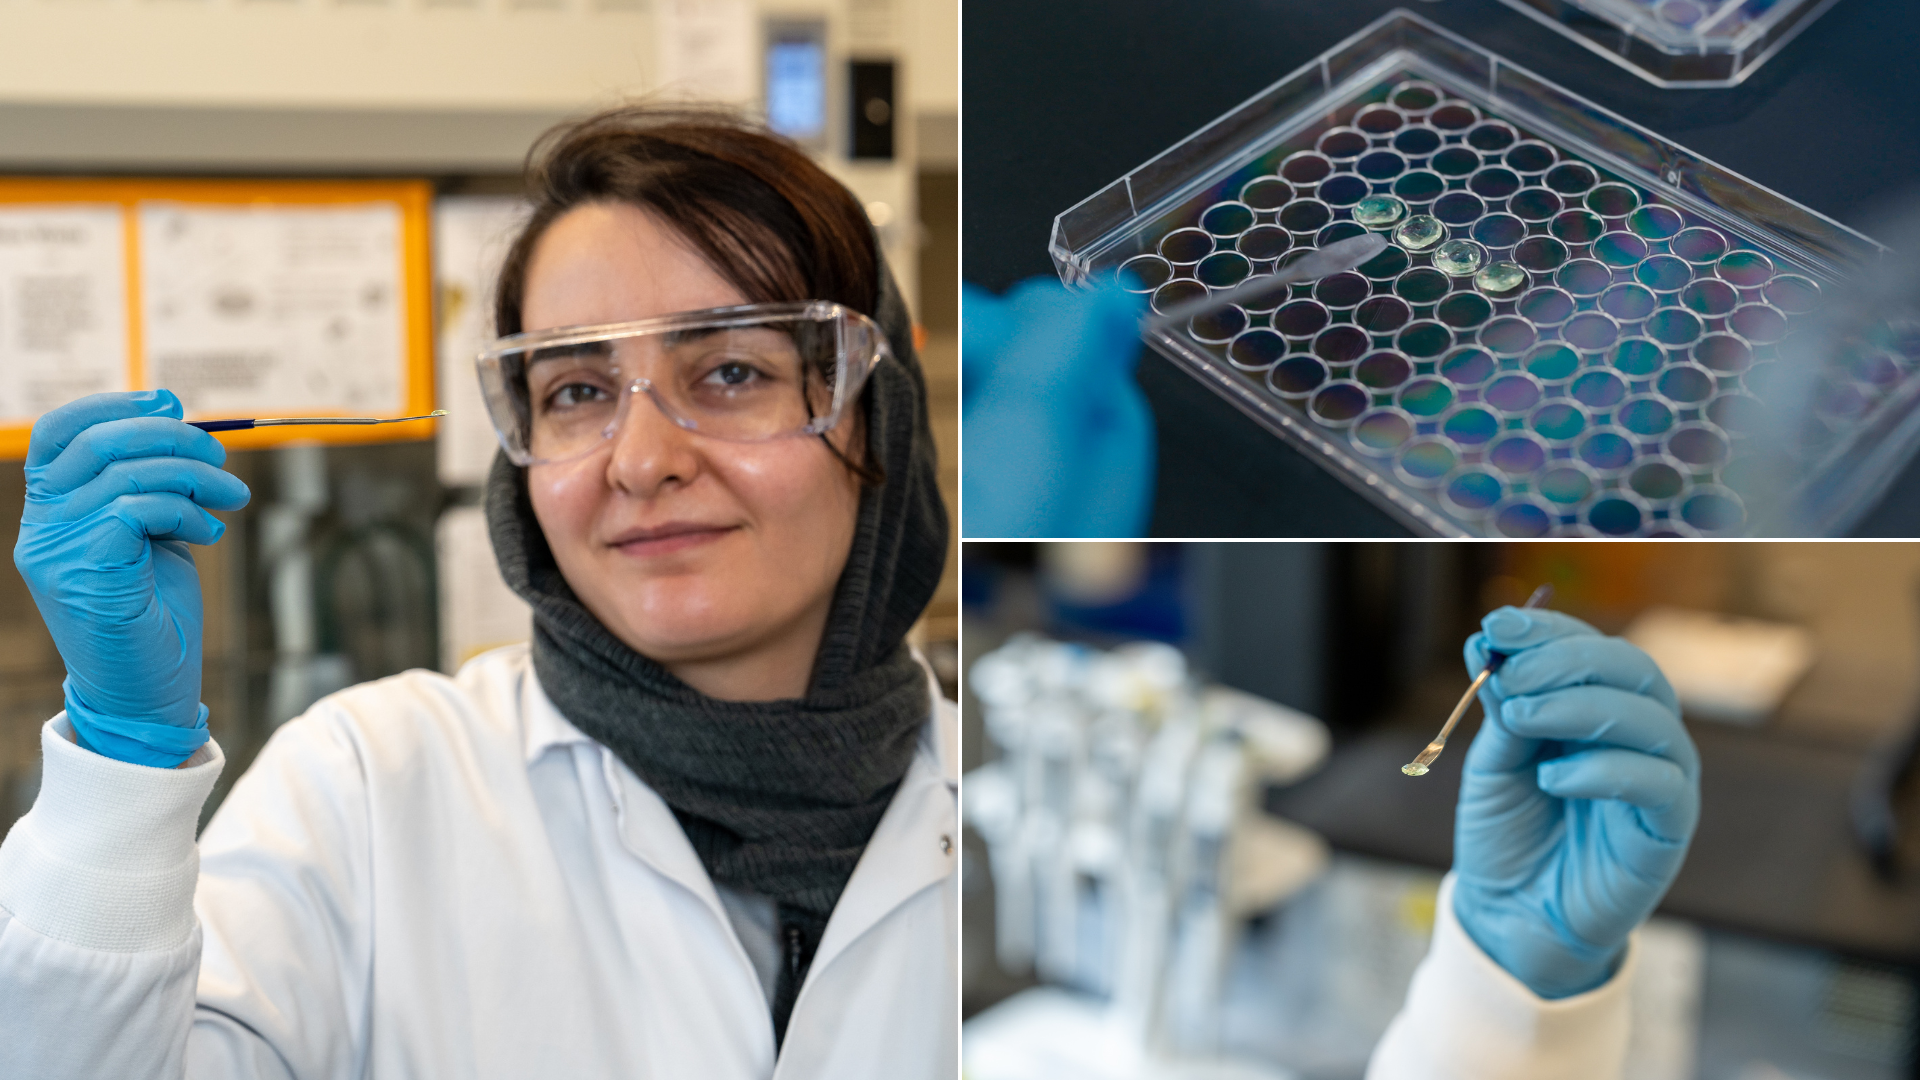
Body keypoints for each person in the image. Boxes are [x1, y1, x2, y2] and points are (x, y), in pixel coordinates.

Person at [0, 104, 952, 1079]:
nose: (643, 460)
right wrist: (120, 770)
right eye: (577, 392)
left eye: (733, 371)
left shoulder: (996, 781)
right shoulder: (370, 790)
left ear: (879, 419)